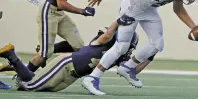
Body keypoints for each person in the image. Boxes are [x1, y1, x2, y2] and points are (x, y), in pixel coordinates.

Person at [82, 0, 198, 95]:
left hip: (148, 7)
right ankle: (92, 77)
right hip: (132, 5)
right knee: (122, 46)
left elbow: (179, 10)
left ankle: (127, 67)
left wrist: (193, 27)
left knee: (157, 43)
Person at [0, 15, 153, 92]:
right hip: (65, 64)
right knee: (30, 86)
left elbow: (132, 69)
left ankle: (11, 65)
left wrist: (149, 57)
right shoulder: (105, 39)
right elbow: (107, 35)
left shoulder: (117, 55)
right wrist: (118, 21)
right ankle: (11, 55)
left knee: (38, 85)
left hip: (72, 77)